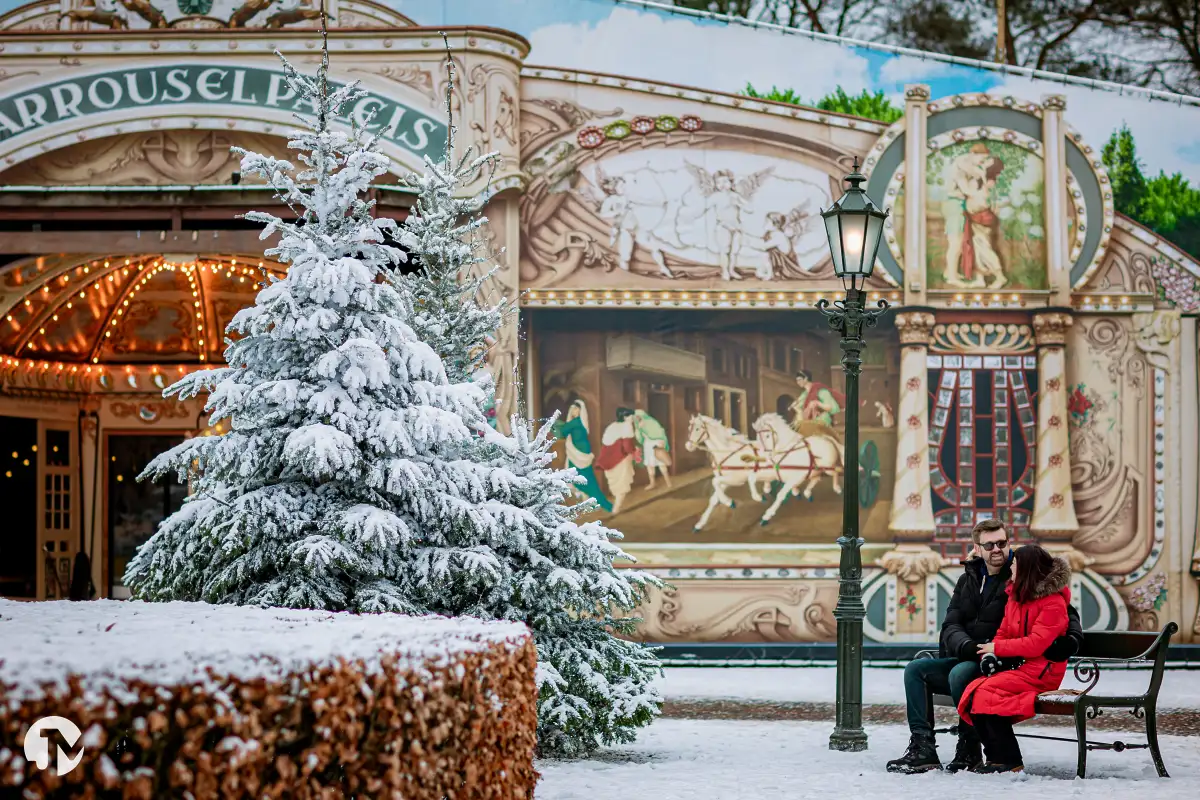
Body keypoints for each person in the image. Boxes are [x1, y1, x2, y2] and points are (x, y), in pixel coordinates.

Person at [886, 519, 1082, 774]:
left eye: (1002, 543)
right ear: (977, 549)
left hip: (1005, 663)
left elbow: (1064, 610)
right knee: (916, 669)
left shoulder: (1024, 574)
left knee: (962, 675)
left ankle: (969, 748)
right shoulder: (968, 579)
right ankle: (923, 750)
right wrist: (967, 646)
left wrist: (1073, 639)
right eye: (989, 545)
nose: (997, 549)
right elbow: (951, 624)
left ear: (1009, 543)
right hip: (976, 655)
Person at [958, 544, 1073, 773]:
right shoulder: (1017, 597)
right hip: (1024, 668)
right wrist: (991, 652)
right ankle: (997, 759)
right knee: (975, 691)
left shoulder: (1053, 602)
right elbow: (1004, 631)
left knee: (984, 692)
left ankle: (1009, 759)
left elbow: (1036, 644)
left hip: (1042, 672)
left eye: (1014, 563)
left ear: (1027, 568)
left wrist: (997, 647)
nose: (1010, 566)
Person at [554, 399, 613, 513]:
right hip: (582, 451)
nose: (574, 411)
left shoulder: (575, 422)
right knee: (585, 478)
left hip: (578, 453)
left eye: (577, 409)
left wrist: (553, 424)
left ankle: (597, 502)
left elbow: (562, 432)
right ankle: (590, 502)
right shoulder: (581, 421)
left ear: (581, 410)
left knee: (582, 479)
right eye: (573, 409)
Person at [595, 407, 638, 515]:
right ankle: (616, 508)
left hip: (608, 459)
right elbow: (627, 446)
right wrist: (634, 450)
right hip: (621, 458)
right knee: (622, 482)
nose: (632, 418)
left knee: (615, 482)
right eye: (631, 416)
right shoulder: (627, 426)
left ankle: (616, 506)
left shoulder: (611, 426)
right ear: (625, 417)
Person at [632, 409, 672, 490]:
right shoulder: (638, 425)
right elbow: (639, 438)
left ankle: (668, 482)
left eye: (639, 416)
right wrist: (639, 429)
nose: (638, 418)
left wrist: (663, 442)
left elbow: (661, 432)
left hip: (657, 443)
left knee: (661, 463)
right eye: (636, 417)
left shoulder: (652, 422)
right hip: (647, 445)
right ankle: (652, 483)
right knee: (650, 464)